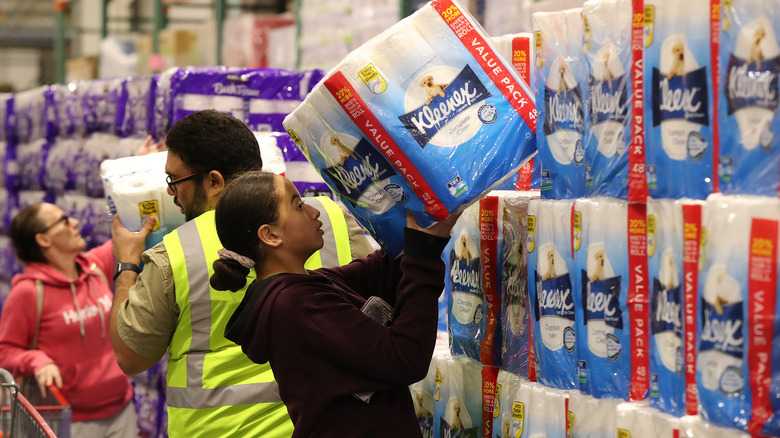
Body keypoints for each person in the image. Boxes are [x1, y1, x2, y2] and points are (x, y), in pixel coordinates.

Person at [109, 109, 374, 437]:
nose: (170, 192)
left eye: (175, 181)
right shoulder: (330, 220)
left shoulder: (175, 253)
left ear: (214, 181)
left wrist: (127, 264)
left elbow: (131, 356)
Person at [212, 171, 458, 437]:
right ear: (270, 235)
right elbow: (405, 359)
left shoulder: (309, 286)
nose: (313, 212)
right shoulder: (295, 305)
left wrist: (417, 208)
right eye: (298, 205)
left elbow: (387, 272)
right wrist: (424, 248)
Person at [0, 202, 138, 438]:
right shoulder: (29, 292)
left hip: (121, 410)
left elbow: (128, 236)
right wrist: (36, 359)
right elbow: (5, 351)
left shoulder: (95, 267)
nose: (75, 223)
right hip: (69, 421)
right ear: (43, 240)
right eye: (64, 221)